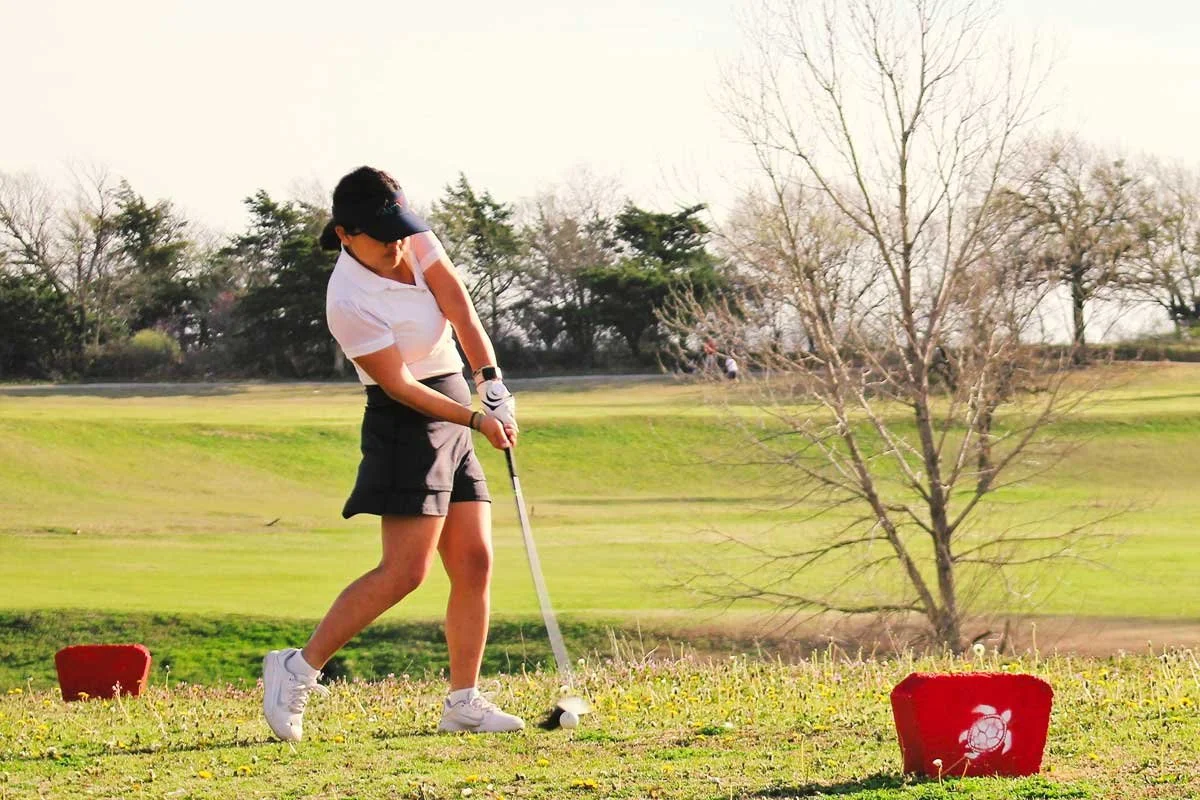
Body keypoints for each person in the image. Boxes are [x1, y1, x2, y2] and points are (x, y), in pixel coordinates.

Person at [261, 166, 525, 741]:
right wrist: (478, 419)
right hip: (405, 419)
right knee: (406, 571)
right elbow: (402, 387)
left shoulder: (411, 237)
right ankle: (296, 669)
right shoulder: (347, 300)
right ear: (346, 234)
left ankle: (463, 702)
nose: (398, 244)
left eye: (402, 230)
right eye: (384, 237)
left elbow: (457, 304)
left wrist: (490, 380)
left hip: (455, 395)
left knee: (475, 560)